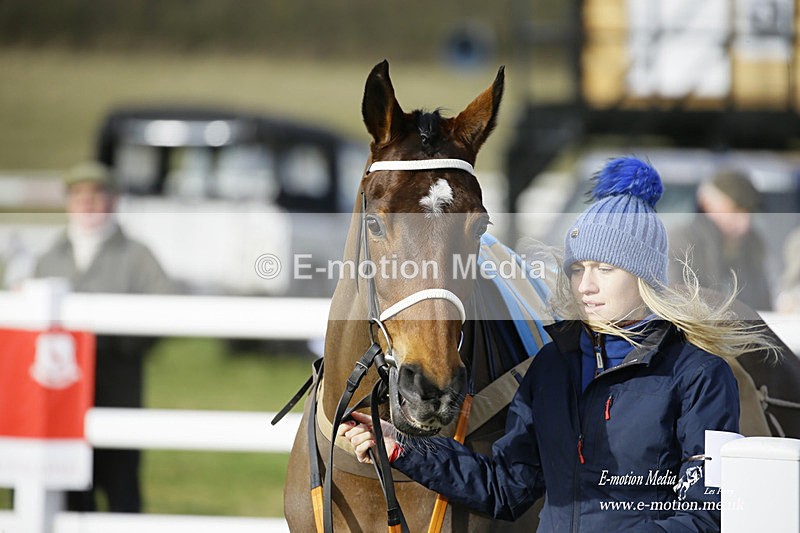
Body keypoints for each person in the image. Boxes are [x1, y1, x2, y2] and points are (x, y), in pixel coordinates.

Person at [339, 157, 777, 531]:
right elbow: (506, 487)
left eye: (604, 268)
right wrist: (400, 448)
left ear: (643, 277)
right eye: (577, 268)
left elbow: (708, 513)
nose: (585, 285)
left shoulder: (700, 375)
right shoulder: (552, 367)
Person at [34, 161, 176, 513]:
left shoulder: (136, 255)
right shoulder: (50, 256)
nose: (88, 203)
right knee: (68, 489)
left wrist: (117, 346)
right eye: (80, 195)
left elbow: (164, 308)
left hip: (118, 387)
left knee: (120, 484)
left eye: (97, 194)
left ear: (113, 200)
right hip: (60, 394)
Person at [669, 169, 772, 311]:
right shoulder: (679, 242)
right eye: (734, 210)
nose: (744, 222)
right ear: (706, 204)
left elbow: (763, 305)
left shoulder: (753, 245)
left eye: (749, 212)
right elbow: (675, 305)